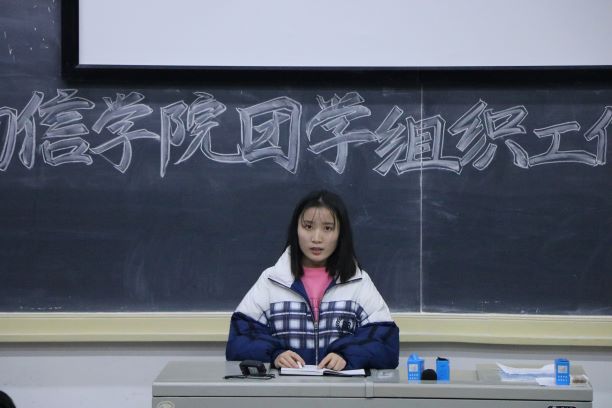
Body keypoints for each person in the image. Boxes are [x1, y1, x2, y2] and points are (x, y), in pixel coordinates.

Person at [226, 190, 399, 371]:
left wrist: (347, 355)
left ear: (341, 234)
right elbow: (239, 339)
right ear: (296, 230)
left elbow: (386, 343)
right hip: (285, 388)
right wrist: (275, 354)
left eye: (328, 228)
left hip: (340, 388)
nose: (316, 238)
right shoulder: (272, 280)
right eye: (308, 227)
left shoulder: (358, 282)